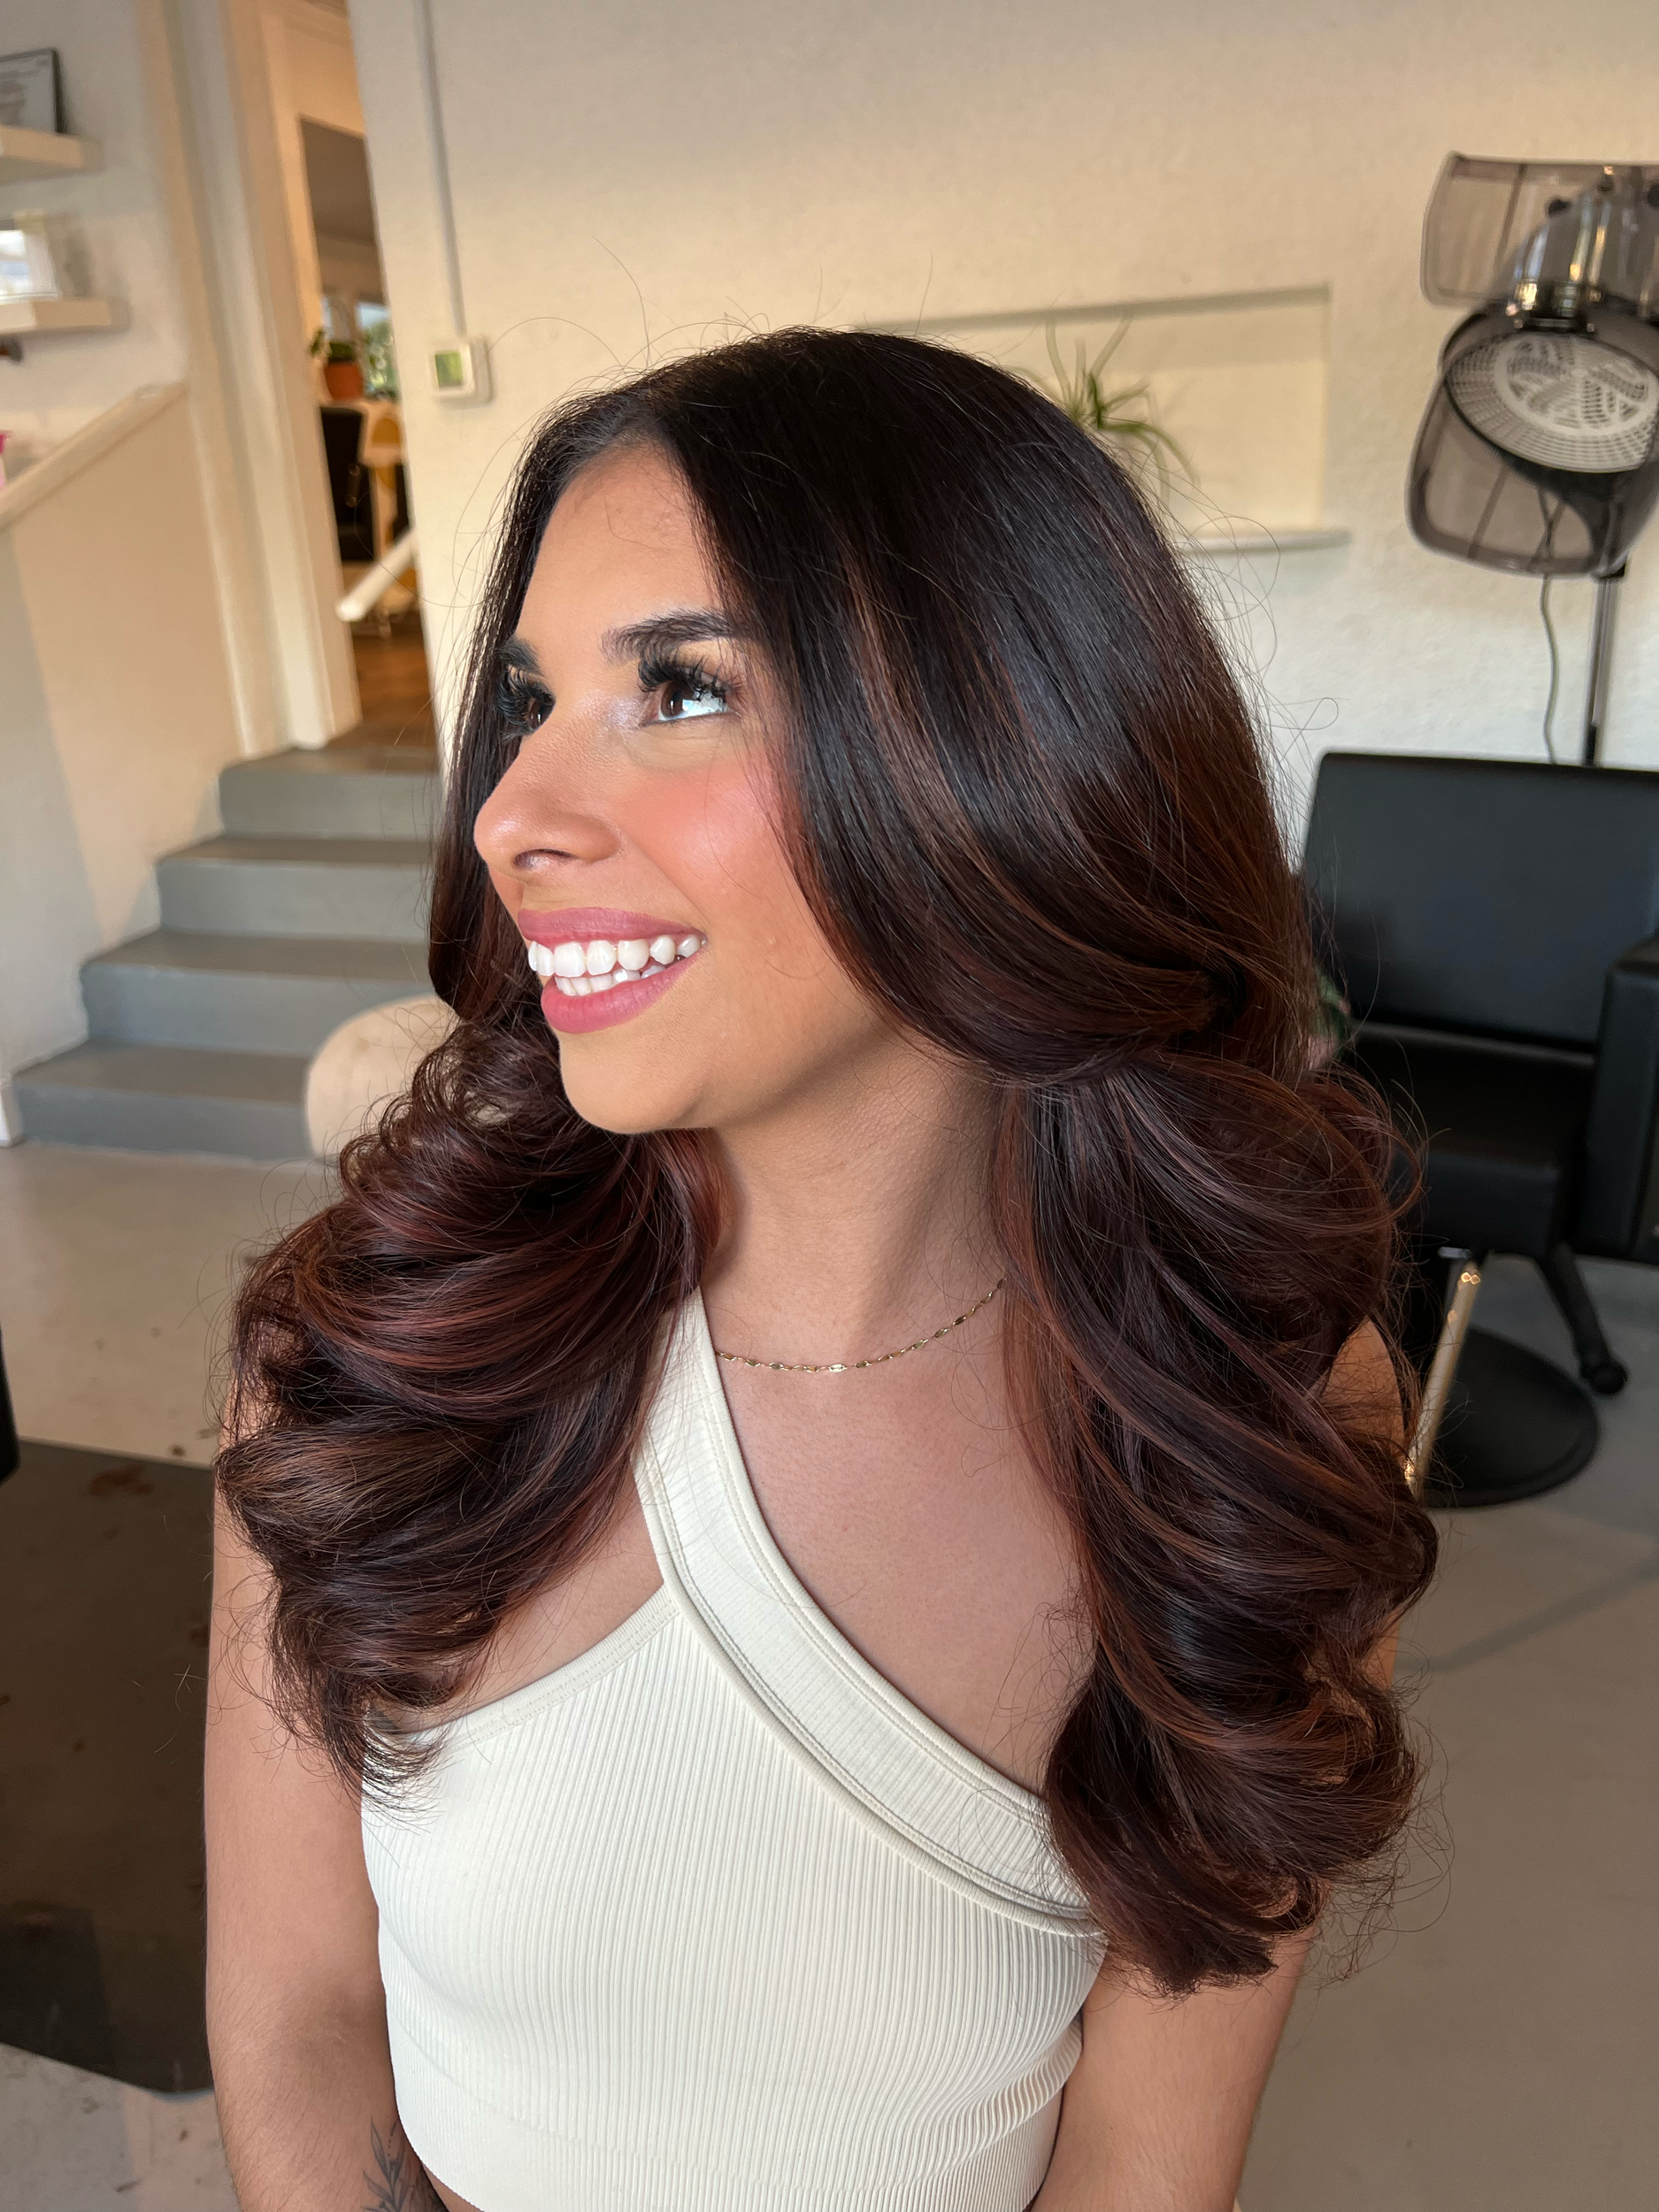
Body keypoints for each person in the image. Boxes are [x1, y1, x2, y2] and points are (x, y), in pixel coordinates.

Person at [206, 327, 1436, 2212]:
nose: (513, 813)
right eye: (529, 700)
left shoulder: (1249, 1405)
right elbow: (294, 2013)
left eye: (681, 689)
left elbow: (1146, 2159)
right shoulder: (373, 1350)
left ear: (1002, 741)